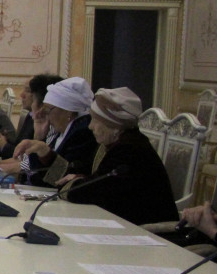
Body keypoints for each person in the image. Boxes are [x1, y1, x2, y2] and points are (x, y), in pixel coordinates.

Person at [61, 87, 178, 225]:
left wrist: (73, 183)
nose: (90, 126)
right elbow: (90, 175)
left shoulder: (129, 150)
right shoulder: (116, 143)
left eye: (95, 120)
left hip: (146, 230)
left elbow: (88, 192)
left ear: (112, 124)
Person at [13, 76, 97, 186]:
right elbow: (37, 176)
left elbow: (56, 180)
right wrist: (39, 137)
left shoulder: (82, 133)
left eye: (49, 110)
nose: (46, 115)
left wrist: (44, 151)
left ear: (68, 111)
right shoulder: (64, 130)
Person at [0, 73, 61, 174]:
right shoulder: (31, 117)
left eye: (28, 91)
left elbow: (45, 172)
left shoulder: (52, 127)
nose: (21, 95)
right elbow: (24, 159)